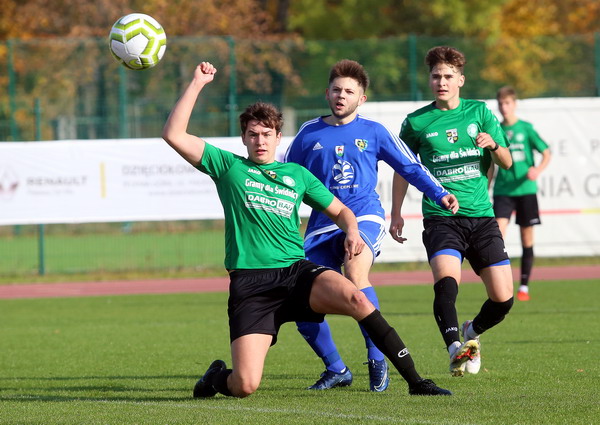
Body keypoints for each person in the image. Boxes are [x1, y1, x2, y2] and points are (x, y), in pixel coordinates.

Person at [162, 61, 452, 398]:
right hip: (252, 286)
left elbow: (341, 210)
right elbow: (173, 135)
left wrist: (352, 229)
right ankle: (216, 378)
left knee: (357, 297)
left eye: (266, 134)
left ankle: (417, 382)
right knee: (245, 385)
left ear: (278, 138)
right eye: (253, 134)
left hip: (295, 273)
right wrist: (197, 83)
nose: (260, 141)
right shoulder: (228, 166)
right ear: (243, 138)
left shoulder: (296, 175)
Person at [284, 59, 458, 392]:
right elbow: (286, 182)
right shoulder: (308, 133)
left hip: (364, 216)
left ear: (361, 98)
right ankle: (336, 369)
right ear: (326, 93)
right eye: (336, 90)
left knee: (355, 272)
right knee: (300, 298)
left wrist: (439, 193)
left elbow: (409, 166)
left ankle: (378, 359)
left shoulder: (374, 132)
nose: (341, 96)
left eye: (349, 91)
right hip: (321, 225)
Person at [389, 46, 515, 377]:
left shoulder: (480, 112)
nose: (441, 82)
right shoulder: (416, 122)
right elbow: (403, 169)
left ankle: (471, 332)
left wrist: (494, 145)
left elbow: (507, 162)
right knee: (446, 285)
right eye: (436, 76)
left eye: (448, 76)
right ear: (429, 80)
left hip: (482, 217)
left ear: (461, 79)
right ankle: (454, 348)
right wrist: (396, 212)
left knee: (504, 299)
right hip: (441, 217)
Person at [492, 86, 551, 302]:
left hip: (526, 190)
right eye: (501, 104)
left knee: (526, 237)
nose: (504, 107)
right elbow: (489, 161)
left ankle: (524, 285)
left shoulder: (525, 128)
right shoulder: (495, 129)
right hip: (503, 190)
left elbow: (546, 152)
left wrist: (537, 169)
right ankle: (500, 283)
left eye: (507, 103)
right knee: (497, 235)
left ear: (514, 104)